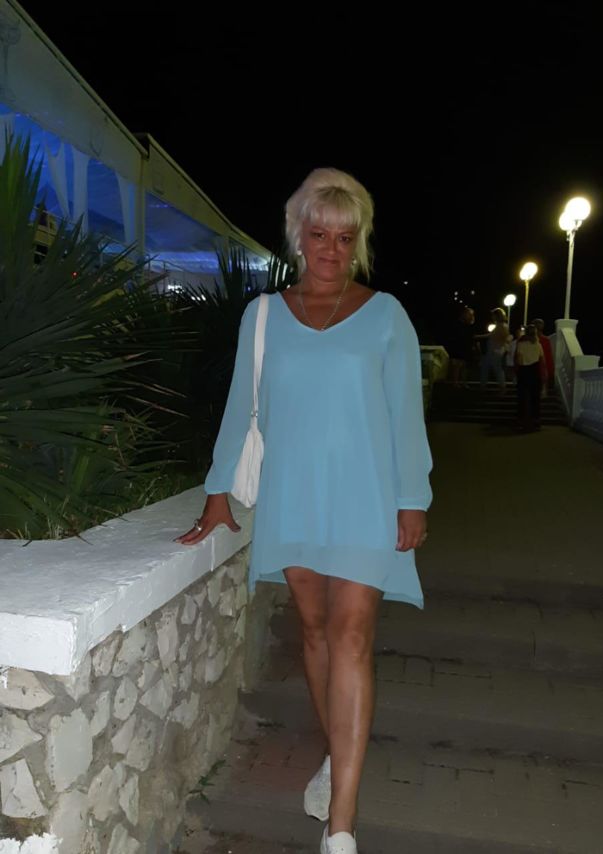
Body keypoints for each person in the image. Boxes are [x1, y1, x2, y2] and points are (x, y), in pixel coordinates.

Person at [177, 168, 433, 854]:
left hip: (367, 497)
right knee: (315, 633)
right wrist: (217, 490)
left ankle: (342, 821)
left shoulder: (386, 315)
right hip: (293, 493)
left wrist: (413, 498)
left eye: (345, 238)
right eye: (320, 234)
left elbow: (406, 417)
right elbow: (241, 405)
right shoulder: (263, 315)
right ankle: (336, 754)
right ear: (298, 235)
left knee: (351, 636)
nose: (331, 249)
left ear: (359, 242)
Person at [515, 323, 547, 431]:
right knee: (535, 398)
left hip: (524, 371)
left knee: (522, 397)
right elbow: (542, 360)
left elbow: (519, 359)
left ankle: (521, 420)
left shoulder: (521, 344)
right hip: (535, 370)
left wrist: (517, 371)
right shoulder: (538, 345)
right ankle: (536, 419)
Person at [477, 307, 510, 393]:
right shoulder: (501, 326)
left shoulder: (501, 326)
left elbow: (494, 336)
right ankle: (484, 386)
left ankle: (502, 388)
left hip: (495, 350)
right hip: (493, 350)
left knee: (495, 369)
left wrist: (478, 336)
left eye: (493, 315)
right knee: (487, 368)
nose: (492, 317)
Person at [448, 305, 476, 388]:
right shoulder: (458, 324)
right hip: (459, 346)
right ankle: (455, 382)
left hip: (466, 347)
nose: (471, 316)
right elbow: (456, 335)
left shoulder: (469, 325)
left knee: (465, 366)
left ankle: (463, 382)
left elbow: (471, 336)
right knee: (457, 365)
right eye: (469, 314)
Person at [532, 318, 555, 394]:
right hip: (541, 367)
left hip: (533, 367)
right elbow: (548, 357)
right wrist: (550, 370)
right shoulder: (545, 340)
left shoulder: (529, 340)